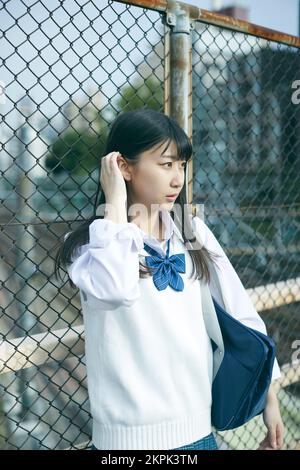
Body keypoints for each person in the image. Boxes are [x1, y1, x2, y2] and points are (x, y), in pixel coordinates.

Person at [54, 107, 284, 451]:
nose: (177, 178)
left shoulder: (192, 233)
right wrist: (115, 204)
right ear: (123, 167)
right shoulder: (90, 245)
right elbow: (114, 290)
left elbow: (240, 312)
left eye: (181, 165)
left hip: (199, 436)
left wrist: (270, 398)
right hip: (124, 446)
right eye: (165, 164)